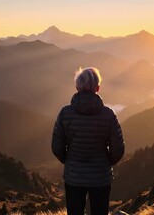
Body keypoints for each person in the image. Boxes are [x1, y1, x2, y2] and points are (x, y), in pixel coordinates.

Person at [52, 67, 125, 215]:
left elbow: (57, 146)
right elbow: (118, 149)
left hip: (74, 176)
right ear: (98, 88)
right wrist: (106, 162)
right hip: (100, 177)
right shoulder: (108, 115)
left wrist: (70, 160)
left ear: (77, 87)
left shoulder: (65, 113)